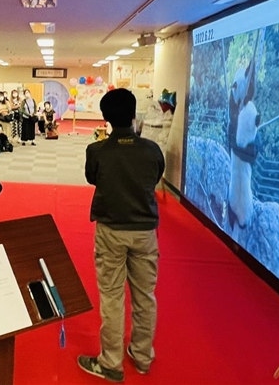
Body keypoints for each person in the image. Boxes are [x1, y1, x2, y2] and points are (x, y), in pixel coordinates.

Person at [77, 89, 165, 383]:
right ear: (133, 113)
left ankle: (111, 363)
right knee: (145, 296)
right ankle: (142, 356)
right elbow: (155, 178)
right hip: (145, 231)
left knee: (112, 297)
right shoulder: (152, 150)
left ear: (105, 117)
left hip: (111, 231)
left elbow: (92, 178)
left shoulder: (97, 151)